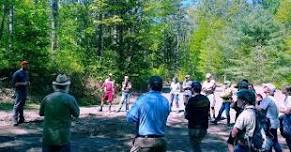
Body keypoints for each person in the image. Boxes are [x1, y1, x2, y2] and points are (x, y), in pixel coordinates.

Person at [127, 76, 170, 152]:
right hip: (160, 142)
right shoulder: (165, 101)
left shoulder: (142, 99)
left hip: (144, 142)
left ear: (149, 86)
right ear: (161, 87)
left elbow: (130, 118)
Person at [39, 74, 80, 152]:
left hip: (48, 137)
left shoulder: (47, 98)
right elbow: (76, 114)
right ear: (66, 86)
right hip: (63, 138)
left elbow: (41, 113)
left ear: (55, 86)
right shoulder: (70, 98)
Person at [185, 81, 210, 152]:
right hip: (204, 127)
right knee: (197, 145)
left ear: (192, 89)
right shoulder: (206, 99)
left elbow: (187, 116)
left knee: (195, 146)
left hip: (193, 127)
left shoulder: (191, 100)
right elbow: (208, 112)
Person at [257, 83, 282, 152]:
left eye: (265, 87)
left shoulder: (267, 99)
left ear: (268, 90)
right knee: (274, 141)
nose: (263, 88)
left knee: (269, 141)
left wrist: (255, 102)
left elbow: (259, 109)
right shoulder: (272, 99)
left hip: (269, 123)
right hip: (274, 123)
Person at [12, 61, 30, 126]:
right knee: (17, 105)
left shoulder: (26, 72)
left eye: (27, 65)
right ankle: (14, 120)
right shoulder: (17, 73)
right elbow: (14, 84)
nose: (27, 66)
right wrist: (23, 83)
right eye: (26, 65)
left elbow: (27, 81)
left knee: (21, 105)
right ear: (22, 65)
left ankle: (21, 119)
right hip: (19, 91)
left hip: (24, 91)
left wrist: (28, 83)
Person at [279, 85, 291, 150]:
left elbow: (288, 111)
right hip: (285, 118)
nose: (282, 90)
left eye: (284, 89)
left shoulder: (289, 98)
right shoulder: (286, 98)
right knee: (287, 137)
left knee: (289, 137)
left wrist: (279, 109)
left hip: (288, 119)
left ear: (288, 91)